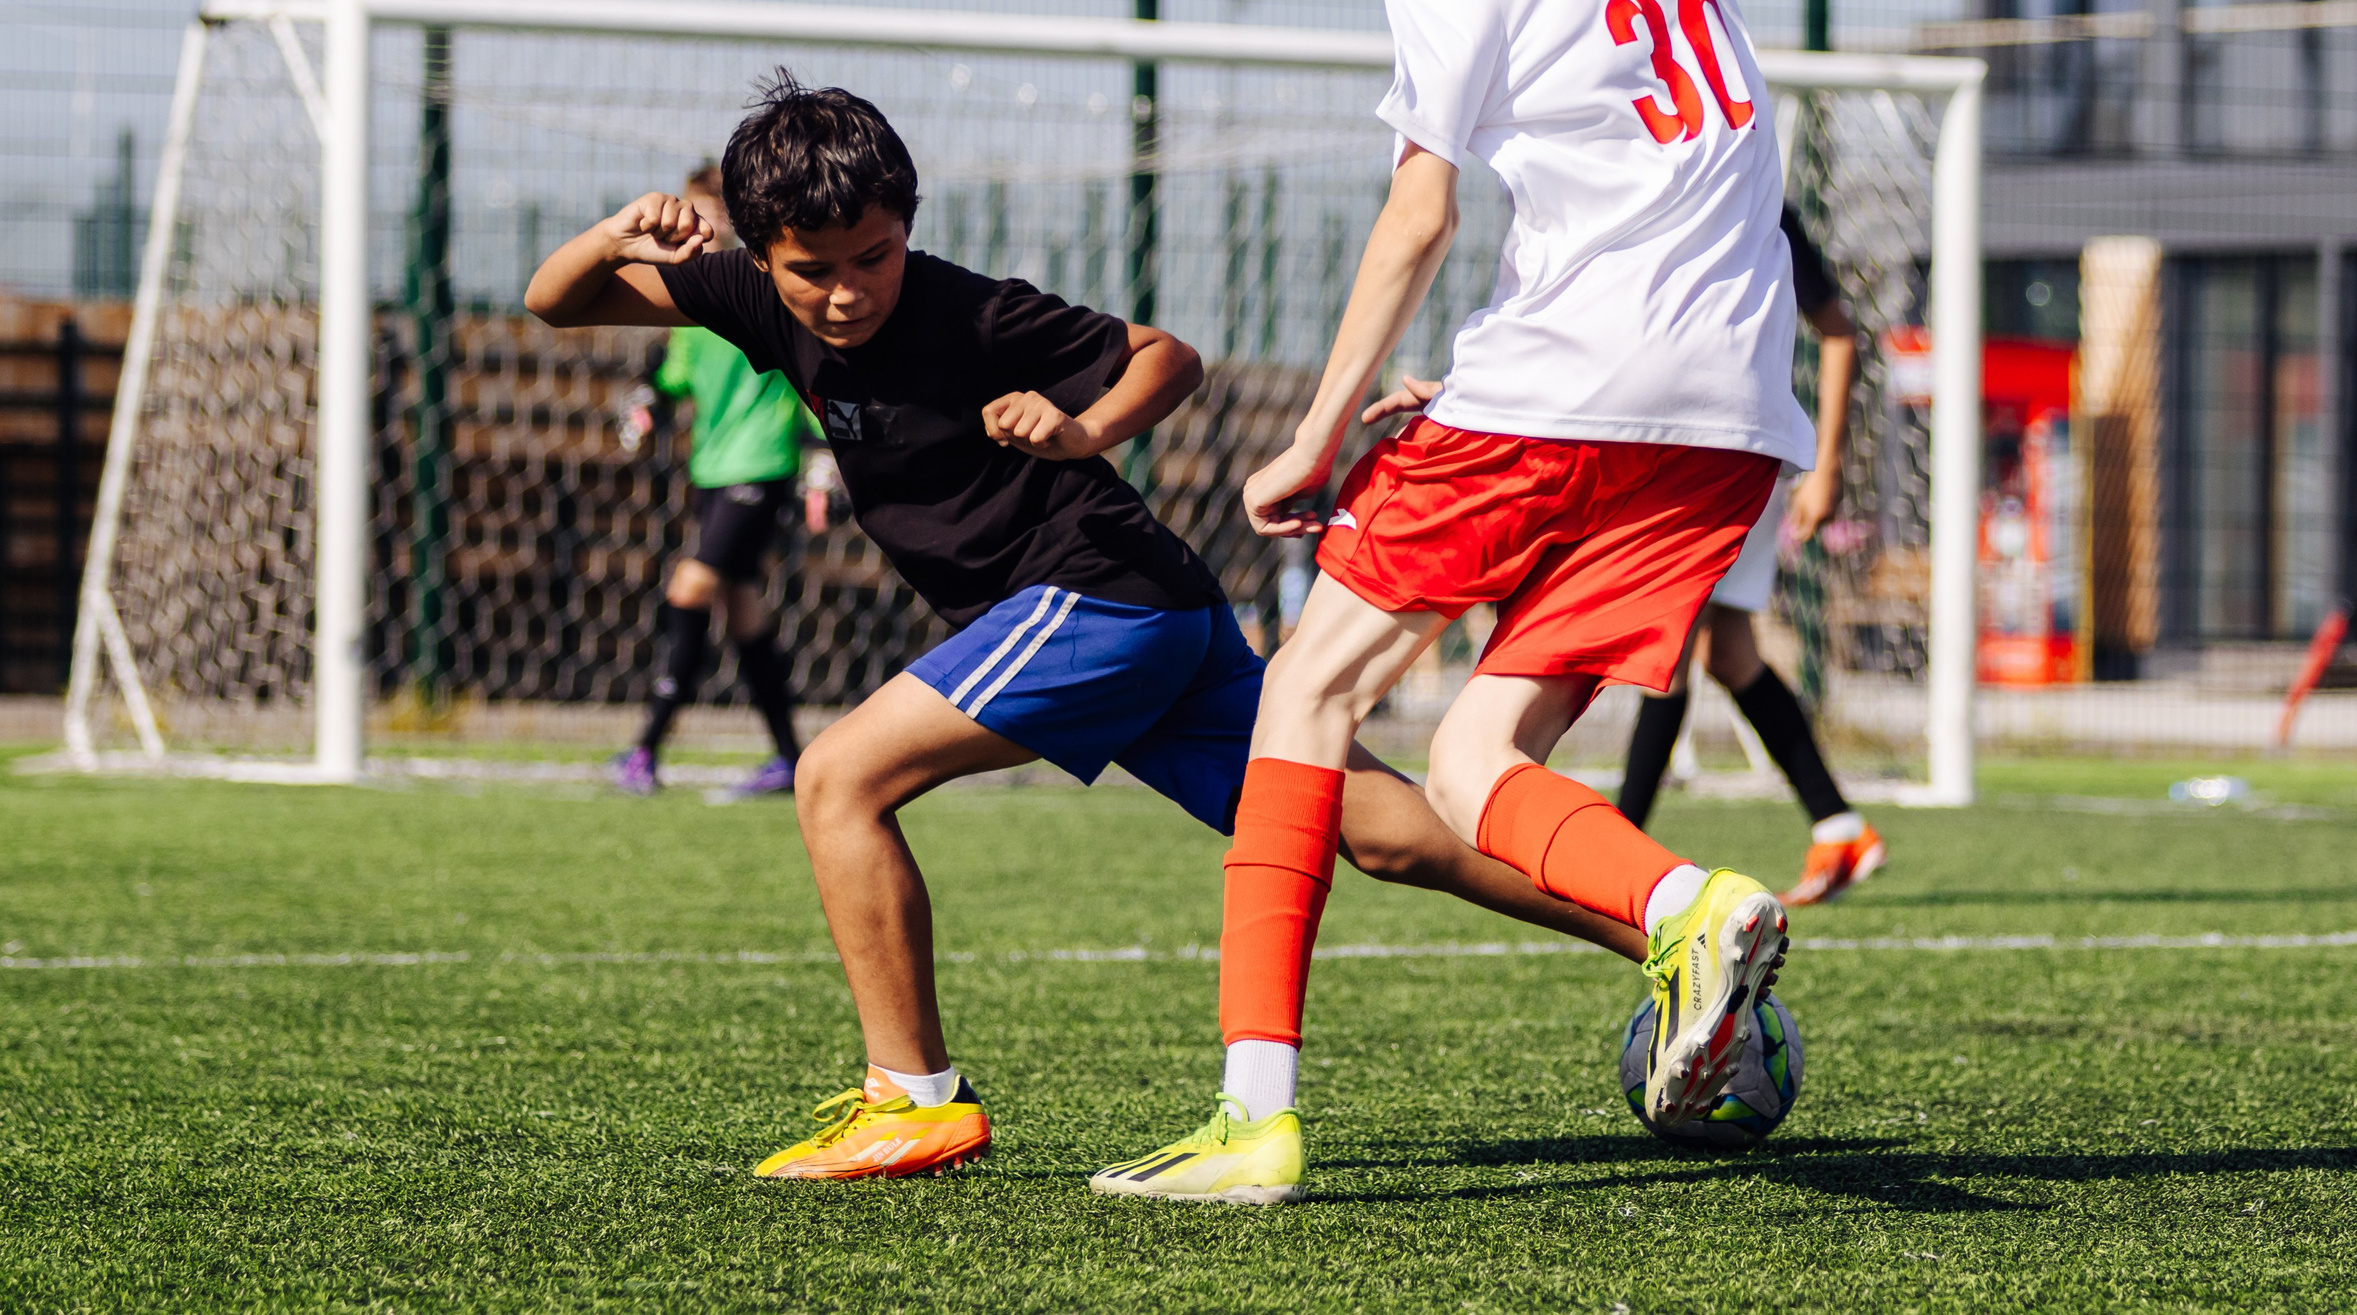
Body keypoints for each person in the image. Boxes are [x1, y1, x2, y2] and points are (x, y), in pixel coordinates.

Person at [525, 76, 1647, 1184]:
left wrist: (1081, 428)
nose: (848, 293)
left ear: (905, 227)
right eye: (813, 272)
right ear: (763, 255)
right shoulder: (755, 298)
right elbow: (557, 300)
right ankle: (1667, 941)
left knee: (836, 781)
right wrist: (618, 229)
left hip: (1093, 599)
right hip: (1157, 612)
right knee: (1385, 832)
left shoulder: (968, 309)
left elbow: (1170, 356)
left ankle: (911, 1100)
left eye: (873, 257)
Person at [1094, 0, 1808, 1206]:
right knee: (1477, 761)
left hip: (1559, 386)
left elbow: (1421, 210)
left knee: (1308, 684)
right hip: (1733, 407)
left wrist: (1318, 429)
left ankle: (1253, 1115)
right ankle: (1687, 896)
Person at [1616, 203, 1888, 905]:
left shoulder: (1755, 207)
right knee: (1728, 650)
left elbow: (1836, 332)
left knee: (1664, 648)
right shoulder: (1693, 198)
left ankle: (1614, 856)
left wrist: (1827, 467)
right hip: (1721, 451)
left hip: (1723, 456)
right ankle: (1839, 824)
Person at [610, 161, 820, 802]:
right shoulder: (693, 302)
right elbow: (673, 380)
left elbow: (812, 378)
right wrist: (645, 403)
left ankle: (647, 747)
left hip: (761, 467)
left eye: (722, 212)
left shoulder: (768, 294)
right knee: (741, 611)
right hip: (712, 470)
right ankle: (790, 757)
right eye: (699, 211)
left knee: (691, 584)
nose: (709, 225)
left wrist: (821, 463)